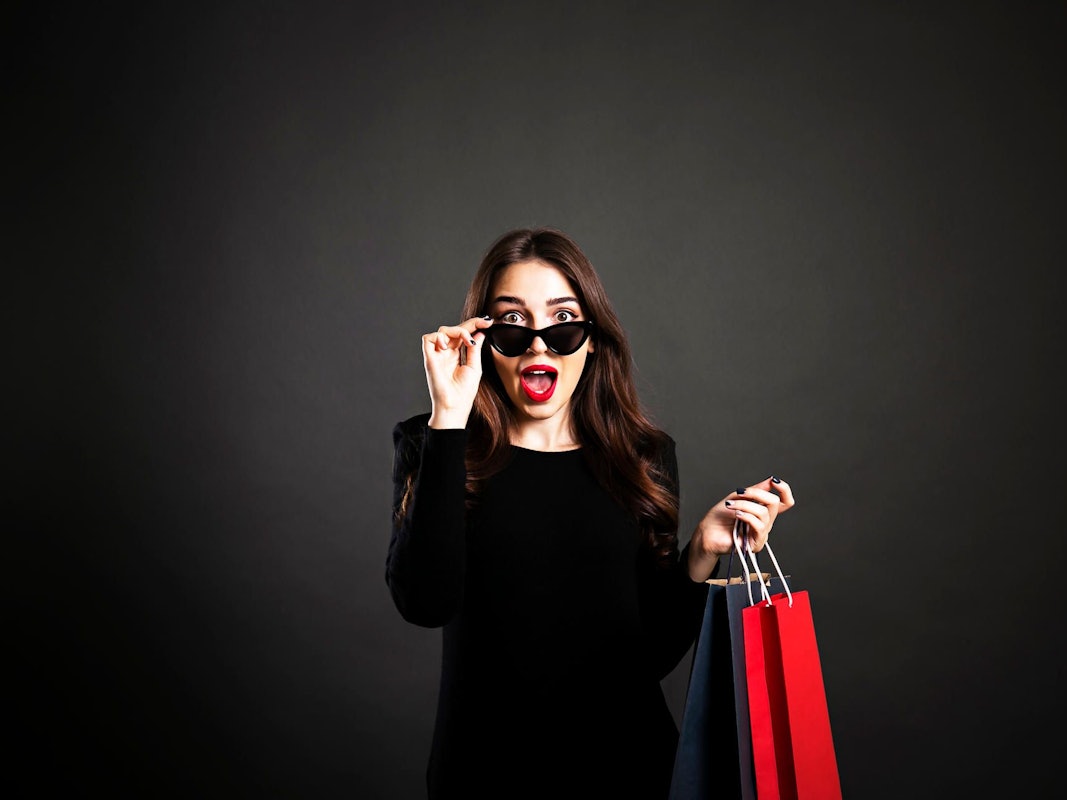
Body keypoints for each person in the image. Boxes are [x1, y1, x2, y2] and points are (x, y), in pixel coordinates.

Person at [387, 227, 794, 799]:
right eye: (512, 323)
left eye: (563, 322)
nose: (538, 345)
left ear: (592, 340)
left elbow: (644, 657)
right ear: (483, 339)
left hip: (629, 772)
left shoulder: (644, 459)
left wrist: (700, 553)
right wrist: (448, 419)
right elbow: (424, 603)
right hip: (484, 777)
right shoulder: (435, 443)